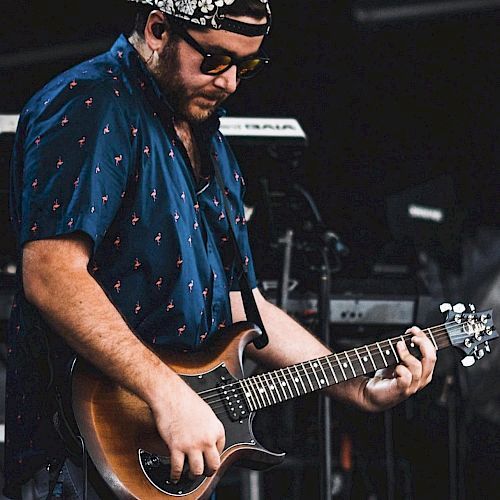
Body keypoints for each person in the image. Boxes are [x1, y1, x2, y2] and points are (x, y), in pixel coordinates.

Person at [4, 0, 437, 498]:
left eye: (245, 65)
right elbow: (51, 273)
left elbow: (235, 303)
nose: (230, 82)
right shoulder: (91, 102)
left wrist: (354, 385)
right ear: (158, 29)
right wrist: (165, 393)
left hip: (170, 462)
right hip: (78, 456)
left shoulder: (209, 139)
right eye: (214, 60)